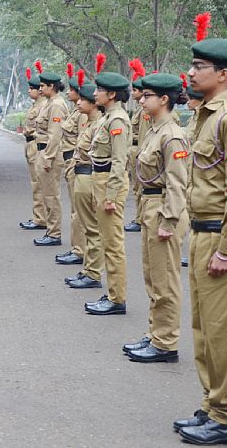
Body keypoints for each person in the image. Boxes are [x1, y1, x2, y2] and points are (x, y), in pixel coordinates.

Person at [174, 38, 227, 445]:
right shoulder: (204, 117)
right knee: (204, 328)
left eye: (199, 66)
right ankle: (212, 404)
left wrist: (226, 247)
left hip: (221, 238)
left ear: (223, 75)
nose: (190, 73)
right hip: (201, 233)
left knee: (222, 331)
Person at [123, 73, 189, 364]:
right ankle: (156, 333)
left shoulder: (172, 135)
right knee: (153, 276)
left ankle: (166, 342)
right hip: (151, 204)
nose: (141, 99)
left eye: (147, 95)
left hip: (163, 207)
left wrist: (169, 220)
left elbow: (178, 182)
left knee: (165, 280)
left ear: (163, 99)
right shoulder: (154, 130)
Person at [84, 71, 132, 315]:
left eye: (99, 90)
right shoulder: (108, 117)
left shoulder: (117, 121)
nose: (94, 94)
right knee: (106, 240)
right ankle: (114, 293)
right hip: (100, 179)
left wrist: (111, 195)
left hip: (109, 183)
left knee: (112, 244)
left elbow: (119, 160)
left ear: (111, 94)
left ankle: (117, 298)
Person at [65, 81, 104, 289]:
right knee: (89, 228)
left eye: (82, 100)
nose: (78, 103)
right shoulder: (89, 122)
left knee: (93, 228)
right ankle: (88, 269)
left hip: (90, 177)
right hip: (80, 175)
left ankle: (93, 272)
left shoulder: (100, 124)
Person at [32, 68, 69, 246]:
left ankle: (54, 234)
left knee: (51, 195)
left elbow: (55, 135)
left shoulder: (56, 105)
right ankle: (50, 230)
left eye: (42, 86)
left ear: (51, 86)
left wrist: (47, 157)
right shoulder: (48, 102)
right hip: (42, 151)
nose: (40, 89)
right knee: (45, 193)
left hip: (50, 154)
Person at [55, 72, 86, 265]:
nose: (68, 93)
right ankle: (76, 248)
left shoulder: (83, 115)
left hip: (76, 162)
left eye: (72, 91)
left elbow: (82, 142)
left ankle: (80, 250)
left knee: (78, 212)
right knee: (75, 210)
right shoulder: (75, 111)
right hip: (69, 160)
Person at [18, 68, 48, 231]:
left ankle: (41, 218)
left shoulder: (43, 105)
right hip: (31, 145)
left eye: (32, 88)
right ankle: (38, 215)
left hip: (37, 145)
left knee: (38, 184)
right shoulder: (36, 105)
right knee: (35, 183)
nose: (29, 91)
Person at [124, 78, 145, 233]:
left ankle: (140, 219)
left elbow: (144, 135)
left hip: (139, 150)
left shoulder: (144, 111)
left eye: (135, 90)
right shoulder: (139, 109)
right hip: (134, 149)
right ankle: (139, 216)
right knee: (136, 187)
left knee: (140, 187)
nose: (132, 93)